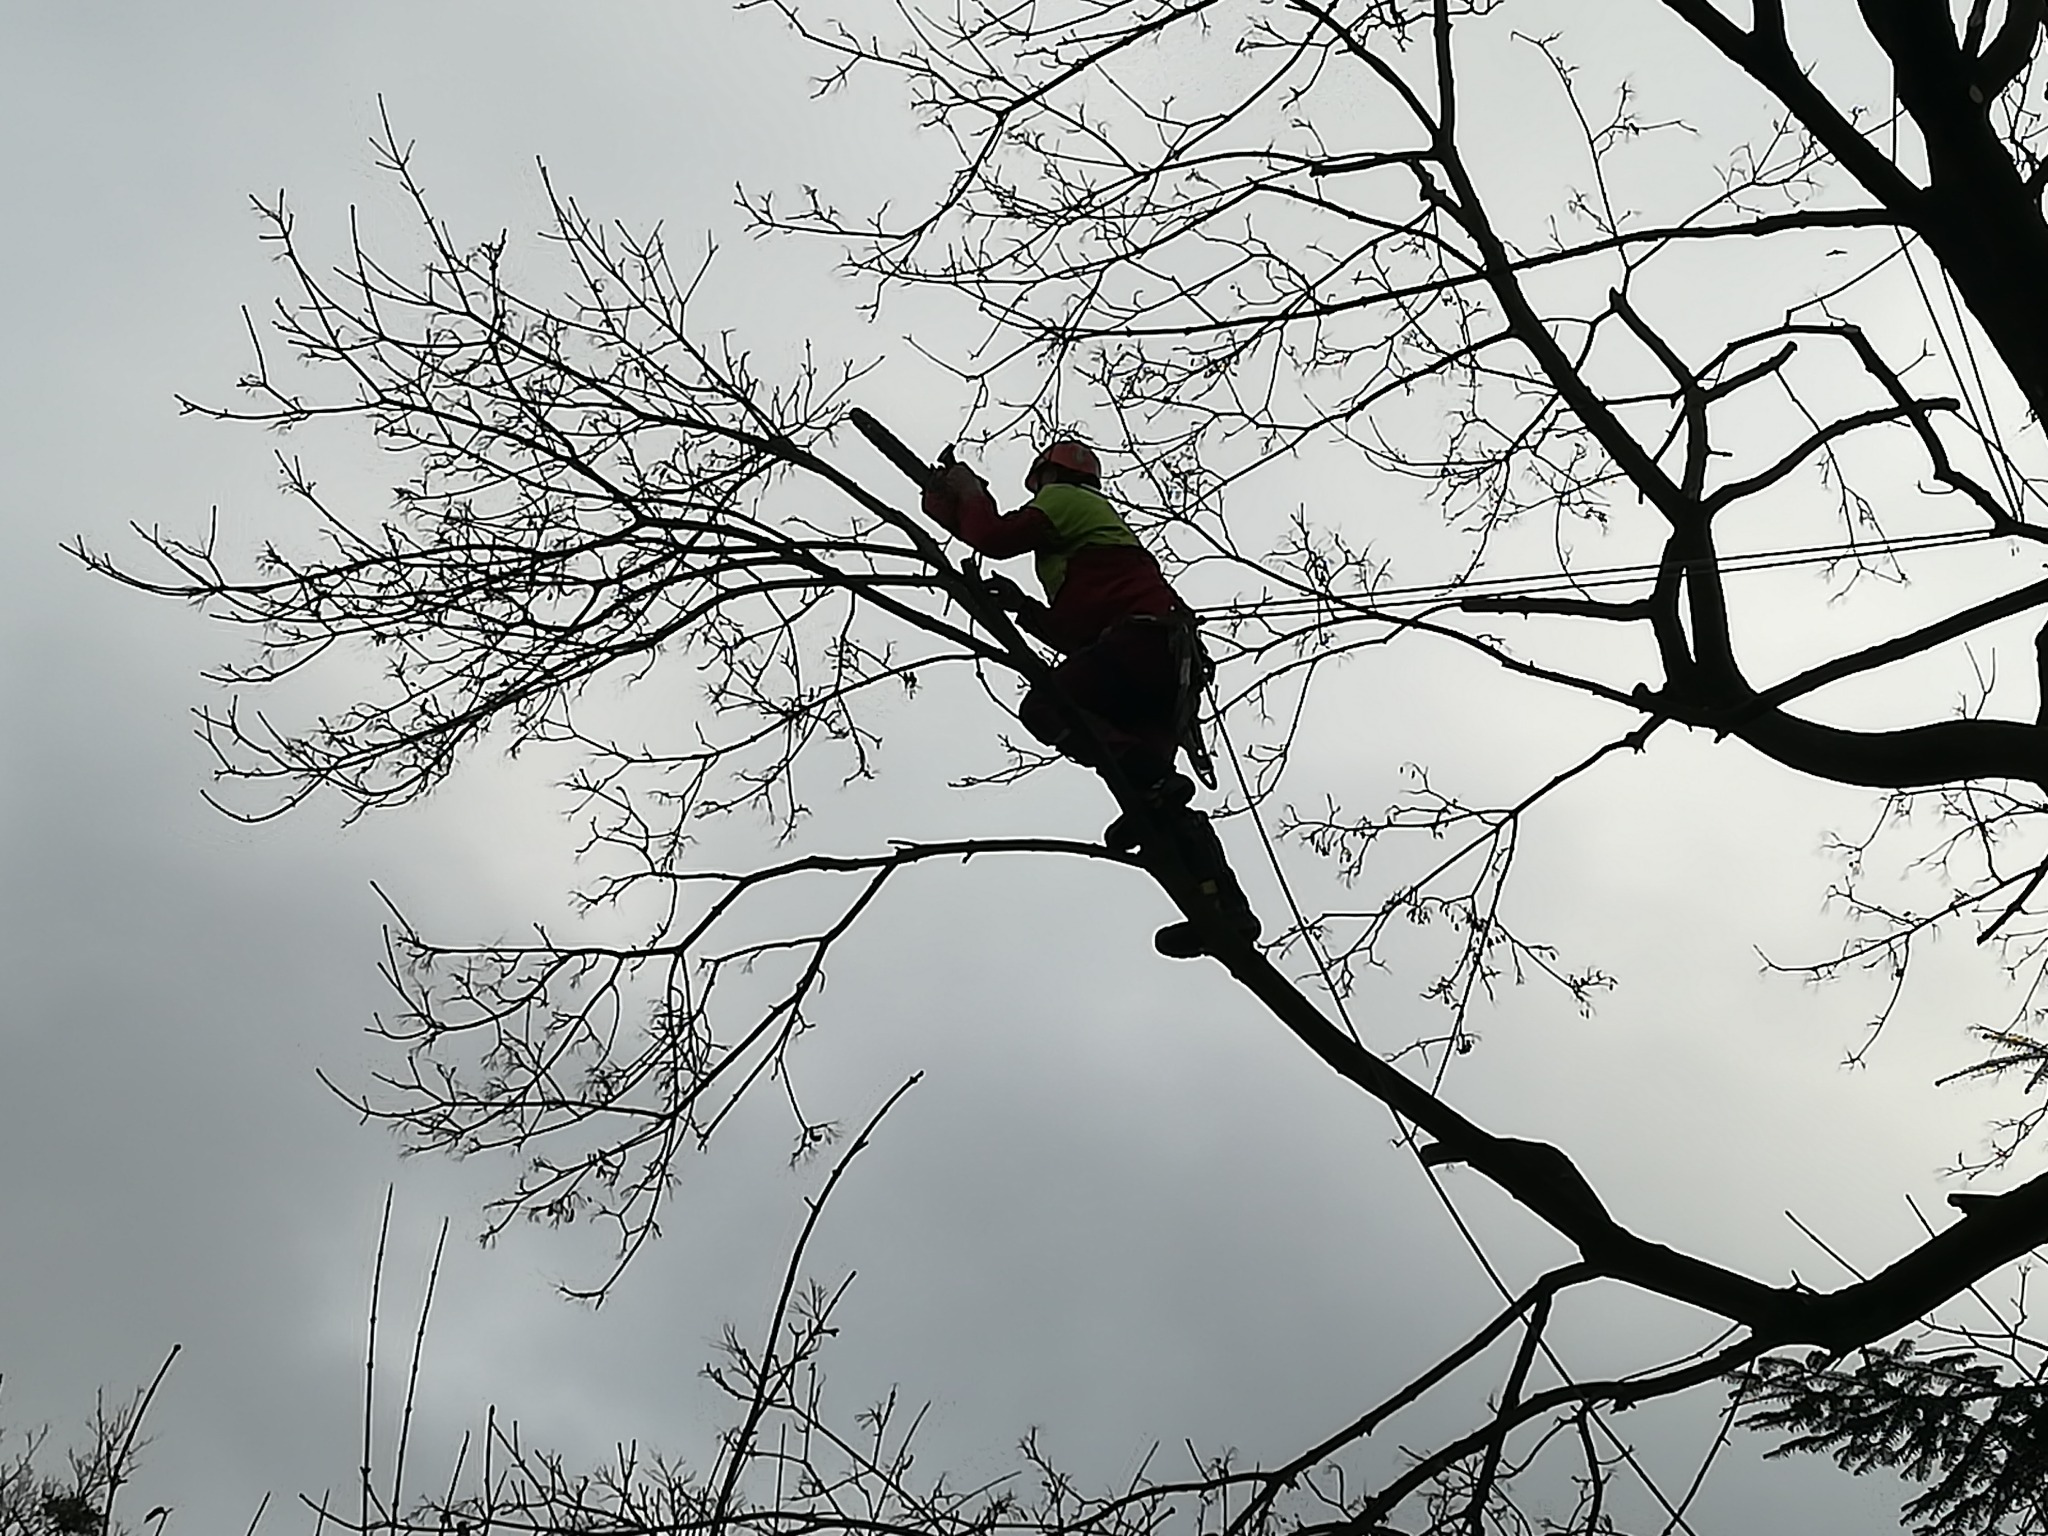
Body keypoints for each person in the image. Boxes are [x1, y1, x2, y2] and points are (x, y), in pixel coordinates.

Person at [922, 439, 1260, 957]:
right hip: (1157, 666)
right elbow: (1084, 636)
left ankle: (1151, 779)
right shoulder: (1086, 541)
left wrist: (967, 494)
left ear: (1046, 477)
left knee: (1047, 707)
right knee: (1158, 813)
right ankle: (1222, 910)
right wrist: (1026, 610)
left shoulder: (1067, 500)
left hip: (1144, 646)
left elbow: (992, 536)